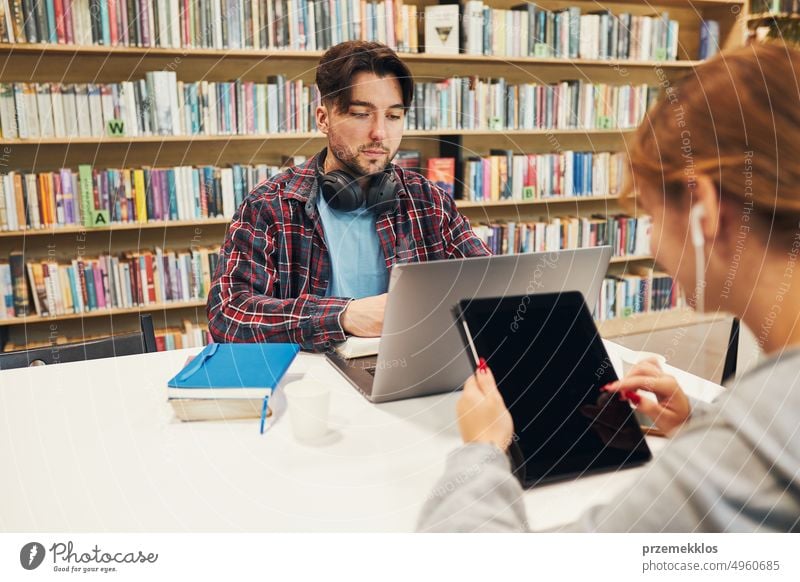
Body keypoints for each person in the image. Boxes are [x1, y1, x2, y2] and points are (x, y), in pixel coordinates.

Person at [418, 43, 800, 533]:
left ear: (703, 208)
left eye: (648, 214)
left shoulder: (754, 445)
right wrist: (697, 428)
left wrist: (482, 449)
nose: (655, 244)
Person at [207, 41, 490, 351]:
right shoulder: (270, 205)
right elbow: (228, 314)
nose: (380, 133)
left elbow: (491, 289)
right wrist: (343, 316)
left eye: (394, 117)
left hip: (410, 372)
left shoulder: (429, 200)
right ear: (323, 118)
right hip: (312, 386)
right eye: (360, 114)